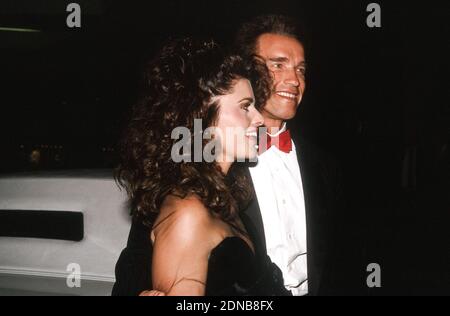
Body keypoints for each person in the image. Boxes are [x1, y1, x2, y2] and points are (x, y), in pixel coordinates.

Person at [112, 38, 291, 296]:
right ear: (202, 117)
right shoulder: (187, 214)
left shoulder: (226, 198)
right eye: (245, 107)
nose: (259, 118)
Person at [234, 14, 357, 296]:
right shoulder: (212, 158)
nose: (294, 80)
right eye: (278, 65)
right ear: (246, 72)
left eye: (301, 70)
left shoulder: (325, 166)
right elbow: (150, 246)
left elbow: (342, 259)